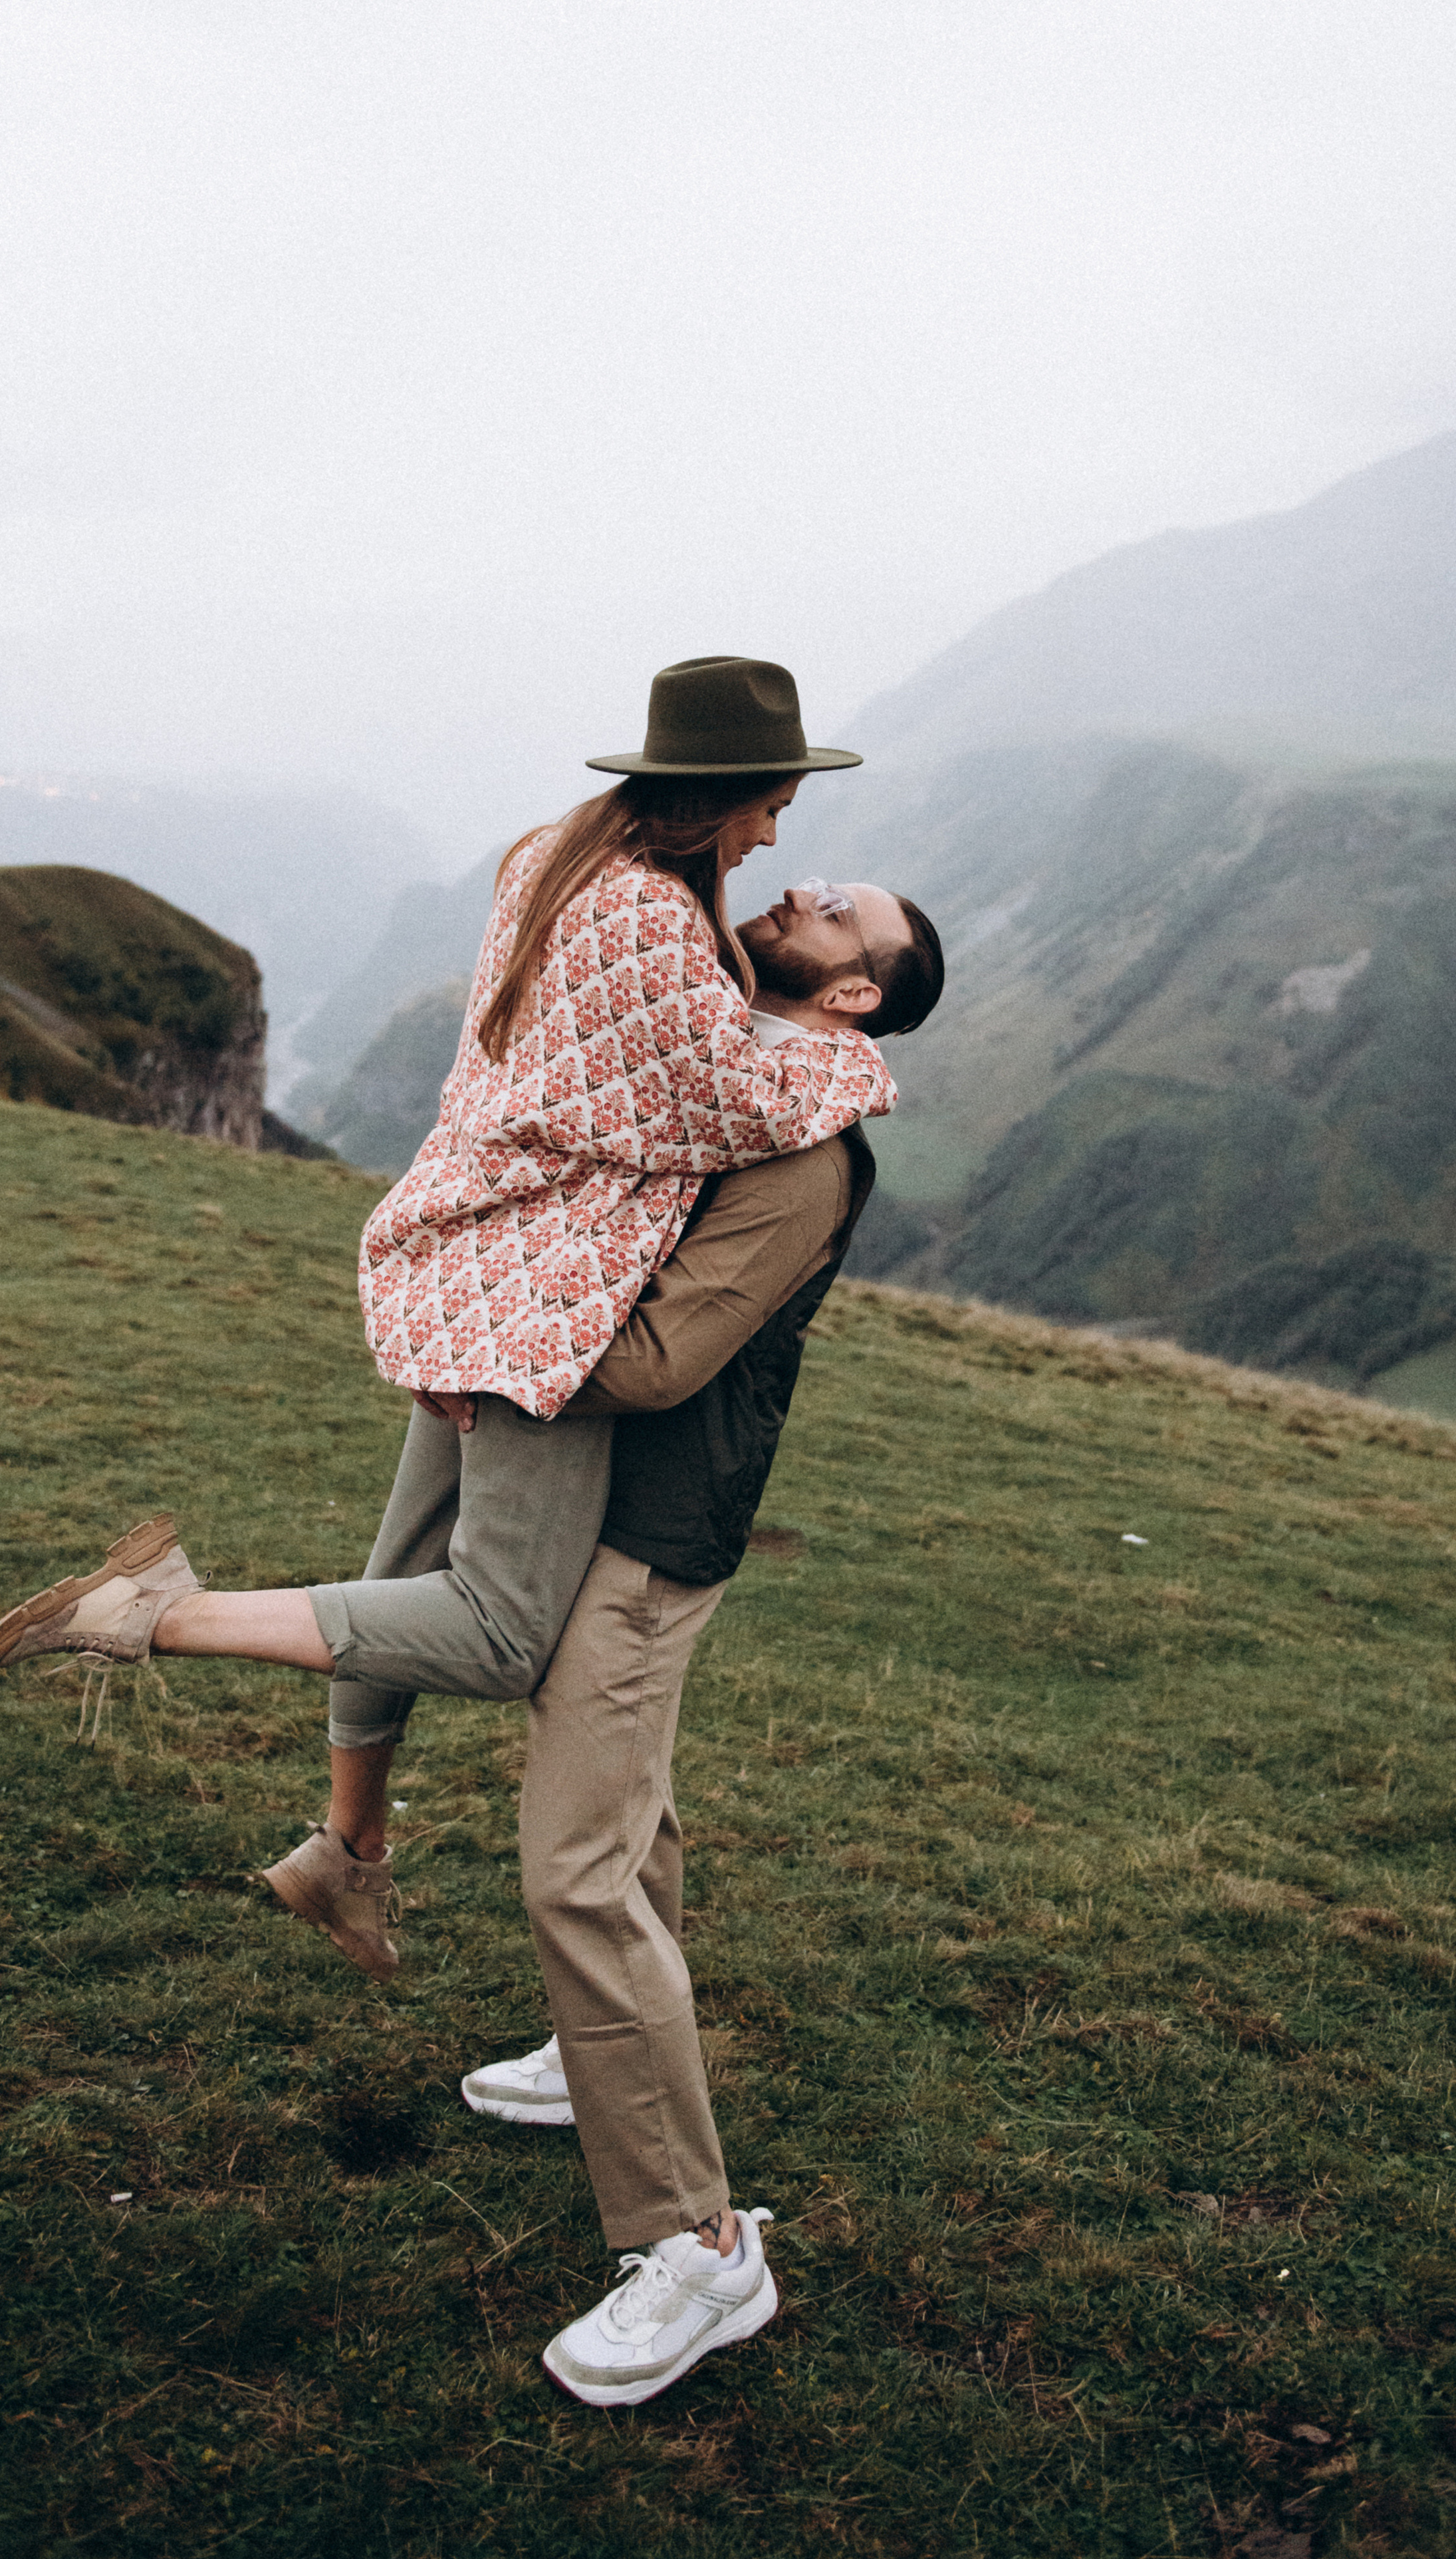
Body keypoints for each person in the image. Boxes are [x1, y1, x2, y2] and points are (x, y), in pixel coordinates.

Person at [0, 656, 892, 1761]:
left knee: (400, 1576)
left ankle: (349, 1849)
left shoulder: (560, 858)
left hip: (472, 1260)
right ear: (726, 790)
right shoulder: (648, 918)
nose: (776, 843)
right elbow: (726, 1106)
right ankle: (155, 1612)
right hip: (546, 1296)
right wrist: (865, 1071)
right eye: (773, 808)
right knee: (500, 1632)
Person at [459, 875, 945, 2406]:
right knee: (626, 1806)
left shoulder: (804, 1154)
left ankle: (700, 2247)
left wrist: (479, 1313)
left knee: (576, 1871)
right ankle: (590, 2051)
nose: (794, 888)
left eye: (833, 911)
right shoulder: (739, 1086)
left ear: (851, 991)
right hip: (619, 1512)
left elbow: (664, 1359)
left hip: (655, 1531)